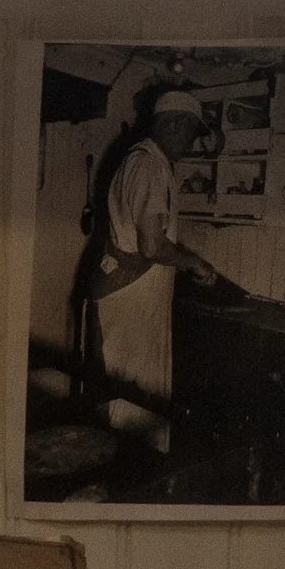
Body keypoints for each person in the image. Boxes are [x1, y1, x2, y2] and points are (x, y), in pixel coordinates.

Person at [82, 88, 221, 452]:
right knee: (127, 403)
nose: (191, 145)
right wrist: (197, 264)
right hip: (130, 302)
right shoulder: (150, 166)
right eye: (192, 134)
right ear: (176, 123)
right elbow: (152, 246)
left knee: (128, 397)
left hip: (134, 300)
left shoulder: (143, 162)